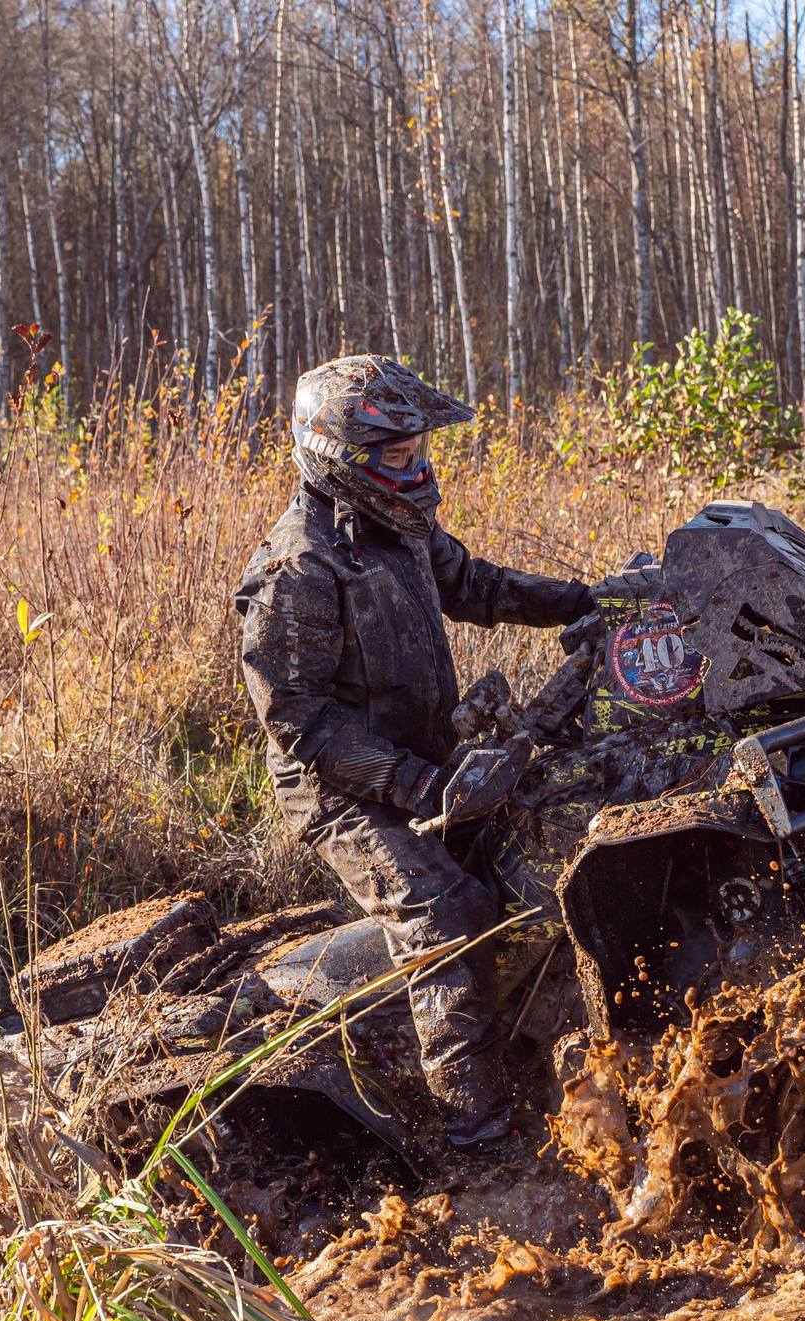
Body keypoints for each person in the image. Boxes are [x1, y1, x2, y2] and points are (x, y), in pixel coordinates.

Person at [235, 356, 597, 1147]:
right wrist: (417, 786)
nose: (419, 468)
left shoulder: (401, 528)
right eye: (399, 457)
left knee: (542, 839)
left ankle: (539, 1049)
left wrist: (589, 599)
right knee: (446, 912)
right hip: (340, 786)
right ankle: (475, 1133)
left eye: (420, 450)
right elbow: (299, 724)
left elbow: (478, 584)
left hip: (422, 754)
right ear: (340, 456)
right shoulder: (298, 565)